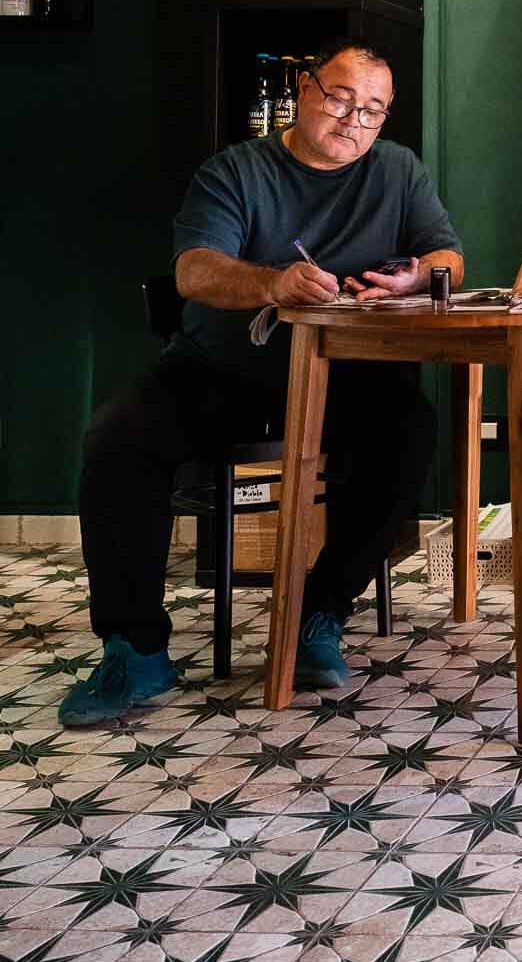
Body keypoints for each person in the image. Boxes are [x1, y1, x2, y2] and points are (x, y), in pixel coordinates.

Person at [61, 38, 464, 727]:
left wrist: (417, 275)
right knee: (118, 437)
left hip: (345, 374)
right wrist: (273, 282)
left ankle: (319, 614)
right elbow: (194, 270)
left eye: (372, 110)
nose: (353, 121)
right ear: (306, 89)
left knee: (411, 431)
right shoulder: (237, 171)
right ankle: (135, 648)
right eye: (340, 98)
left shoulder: (397, 171)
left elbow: (445, 252)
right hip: (224, 372)